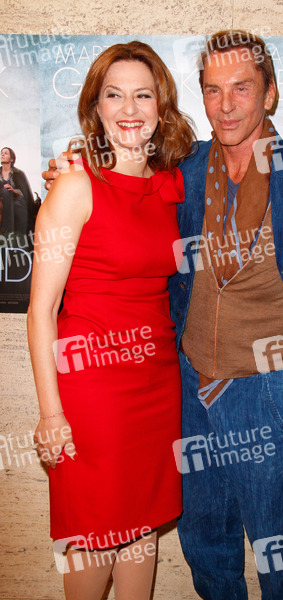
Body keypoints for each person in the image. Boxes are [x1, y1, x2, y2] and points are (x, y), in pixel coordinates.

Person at [43, 31, 283, 600]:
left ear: (270, 93)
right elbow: (123, 179)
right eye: (212, 90)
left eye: (242, 88)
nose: (226, 104)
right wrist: (73, 165)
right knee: (204, 545)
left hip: (265, 389)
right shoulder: (182, 171)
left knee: (276, 550)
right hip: (185, 387)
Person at [28, 41, 194, 600]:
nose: (129, 108)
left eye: (143, 95)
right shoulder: (75, 186)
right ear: (95, 107)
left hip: (156, 385)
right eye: (114, 94)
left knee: (142, 528)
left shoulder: (169, 185)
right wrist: (51, 413)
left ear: (160, 106)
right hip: (92, 390)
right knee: (95, 534)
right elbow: (41, 309)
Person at [0, 146, 36, 234]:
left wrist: (14, 191)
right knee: (5, 191)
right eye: (1, 153)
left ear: (11, 159)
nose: (2, 155)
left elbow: (25, 194)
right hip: (1, 200)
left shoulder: (19, 174)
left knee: (17, 206)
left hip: (16, 200)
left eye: (6, 153)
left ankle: (11, 233)